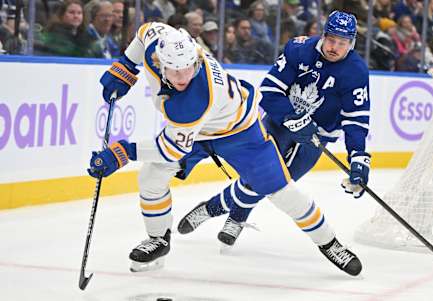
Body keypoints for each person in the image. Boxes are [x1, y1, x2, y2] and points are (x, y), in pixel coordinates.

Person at [87, 22, 361, 276]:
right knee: (150, 178)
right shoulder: (157, 41)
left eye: (189, 68)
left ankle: (329, 243)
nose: (183, 77)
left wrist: (120, 154)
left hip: (239, 132)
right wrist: (125, 66)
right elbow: (144, 30)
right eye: (174, 70)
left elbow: (169, 150)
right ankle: (158, 240)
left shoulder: (196, 97)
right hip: (198, 130)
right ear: (159, 62)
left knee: (282, 192)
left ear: (195, 58)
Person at [178, 11, 370, 276]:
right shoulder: (299, 49)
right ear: (323, 35)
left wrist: (359, 157)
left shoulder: (356, 71)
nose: (335, 47)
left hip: (316, 136)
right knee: (263, 178)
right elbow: (268, 91)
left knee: (280, 187)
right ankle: (230, 214)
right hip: (280, 122)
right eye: (331, 39)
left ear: (352, 43)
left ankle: (221, 210)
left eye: (342, 42)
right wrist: (292, 117)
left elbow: (356, 119)